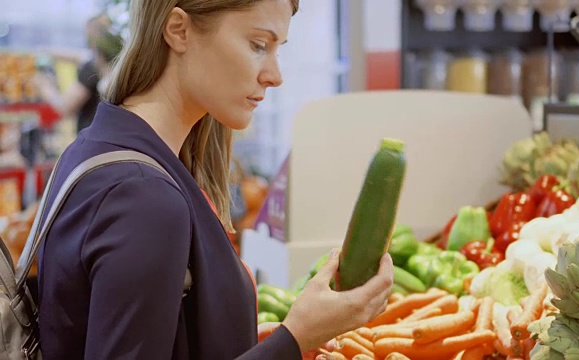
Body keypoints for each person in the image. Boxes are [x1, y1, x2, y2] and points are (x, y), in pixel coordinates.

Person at [36, 0, 394, 359]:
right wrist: (295, 338)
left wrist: (224, 336)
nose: (275, 75)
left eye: (277, 49)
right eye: (258, 45)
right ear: (179, 30)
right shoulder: (143, 196)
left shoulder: (99, 148)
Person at [37, 14, 123, 133]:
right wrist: (46, 52)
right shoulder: (117, 63)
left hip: (92, 138)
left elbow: (65, 107)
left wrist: (46, 89)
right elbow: (80, 56)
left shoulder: (92, 68)